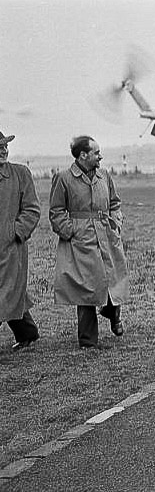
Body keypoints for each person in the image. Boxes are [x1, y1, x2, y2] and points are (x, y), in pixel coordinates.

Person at [50, 136, 130, 349]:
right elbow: (56, 212)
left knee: (112, 279)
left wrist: (116, 223)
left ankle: (113, 314)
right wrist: (71, 231)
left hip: (106, 234)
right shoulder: (64, 178)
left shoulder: (104, 175)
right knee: (85, 288)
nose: (100, 156)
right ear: (83, 155)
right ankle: (88, 340)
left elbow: (115, 203)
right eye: (96, 152)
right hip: (81, 240)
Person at [0, 130, 41, 351]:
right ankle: (28, 333)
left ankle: (27, 334)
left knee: (7, 291)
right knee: (11, 292)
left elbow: (32, 209)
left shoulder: (20, 173)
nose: (4, 150)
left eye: (5, 146)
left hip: (10, 246)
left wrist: (15, 232)